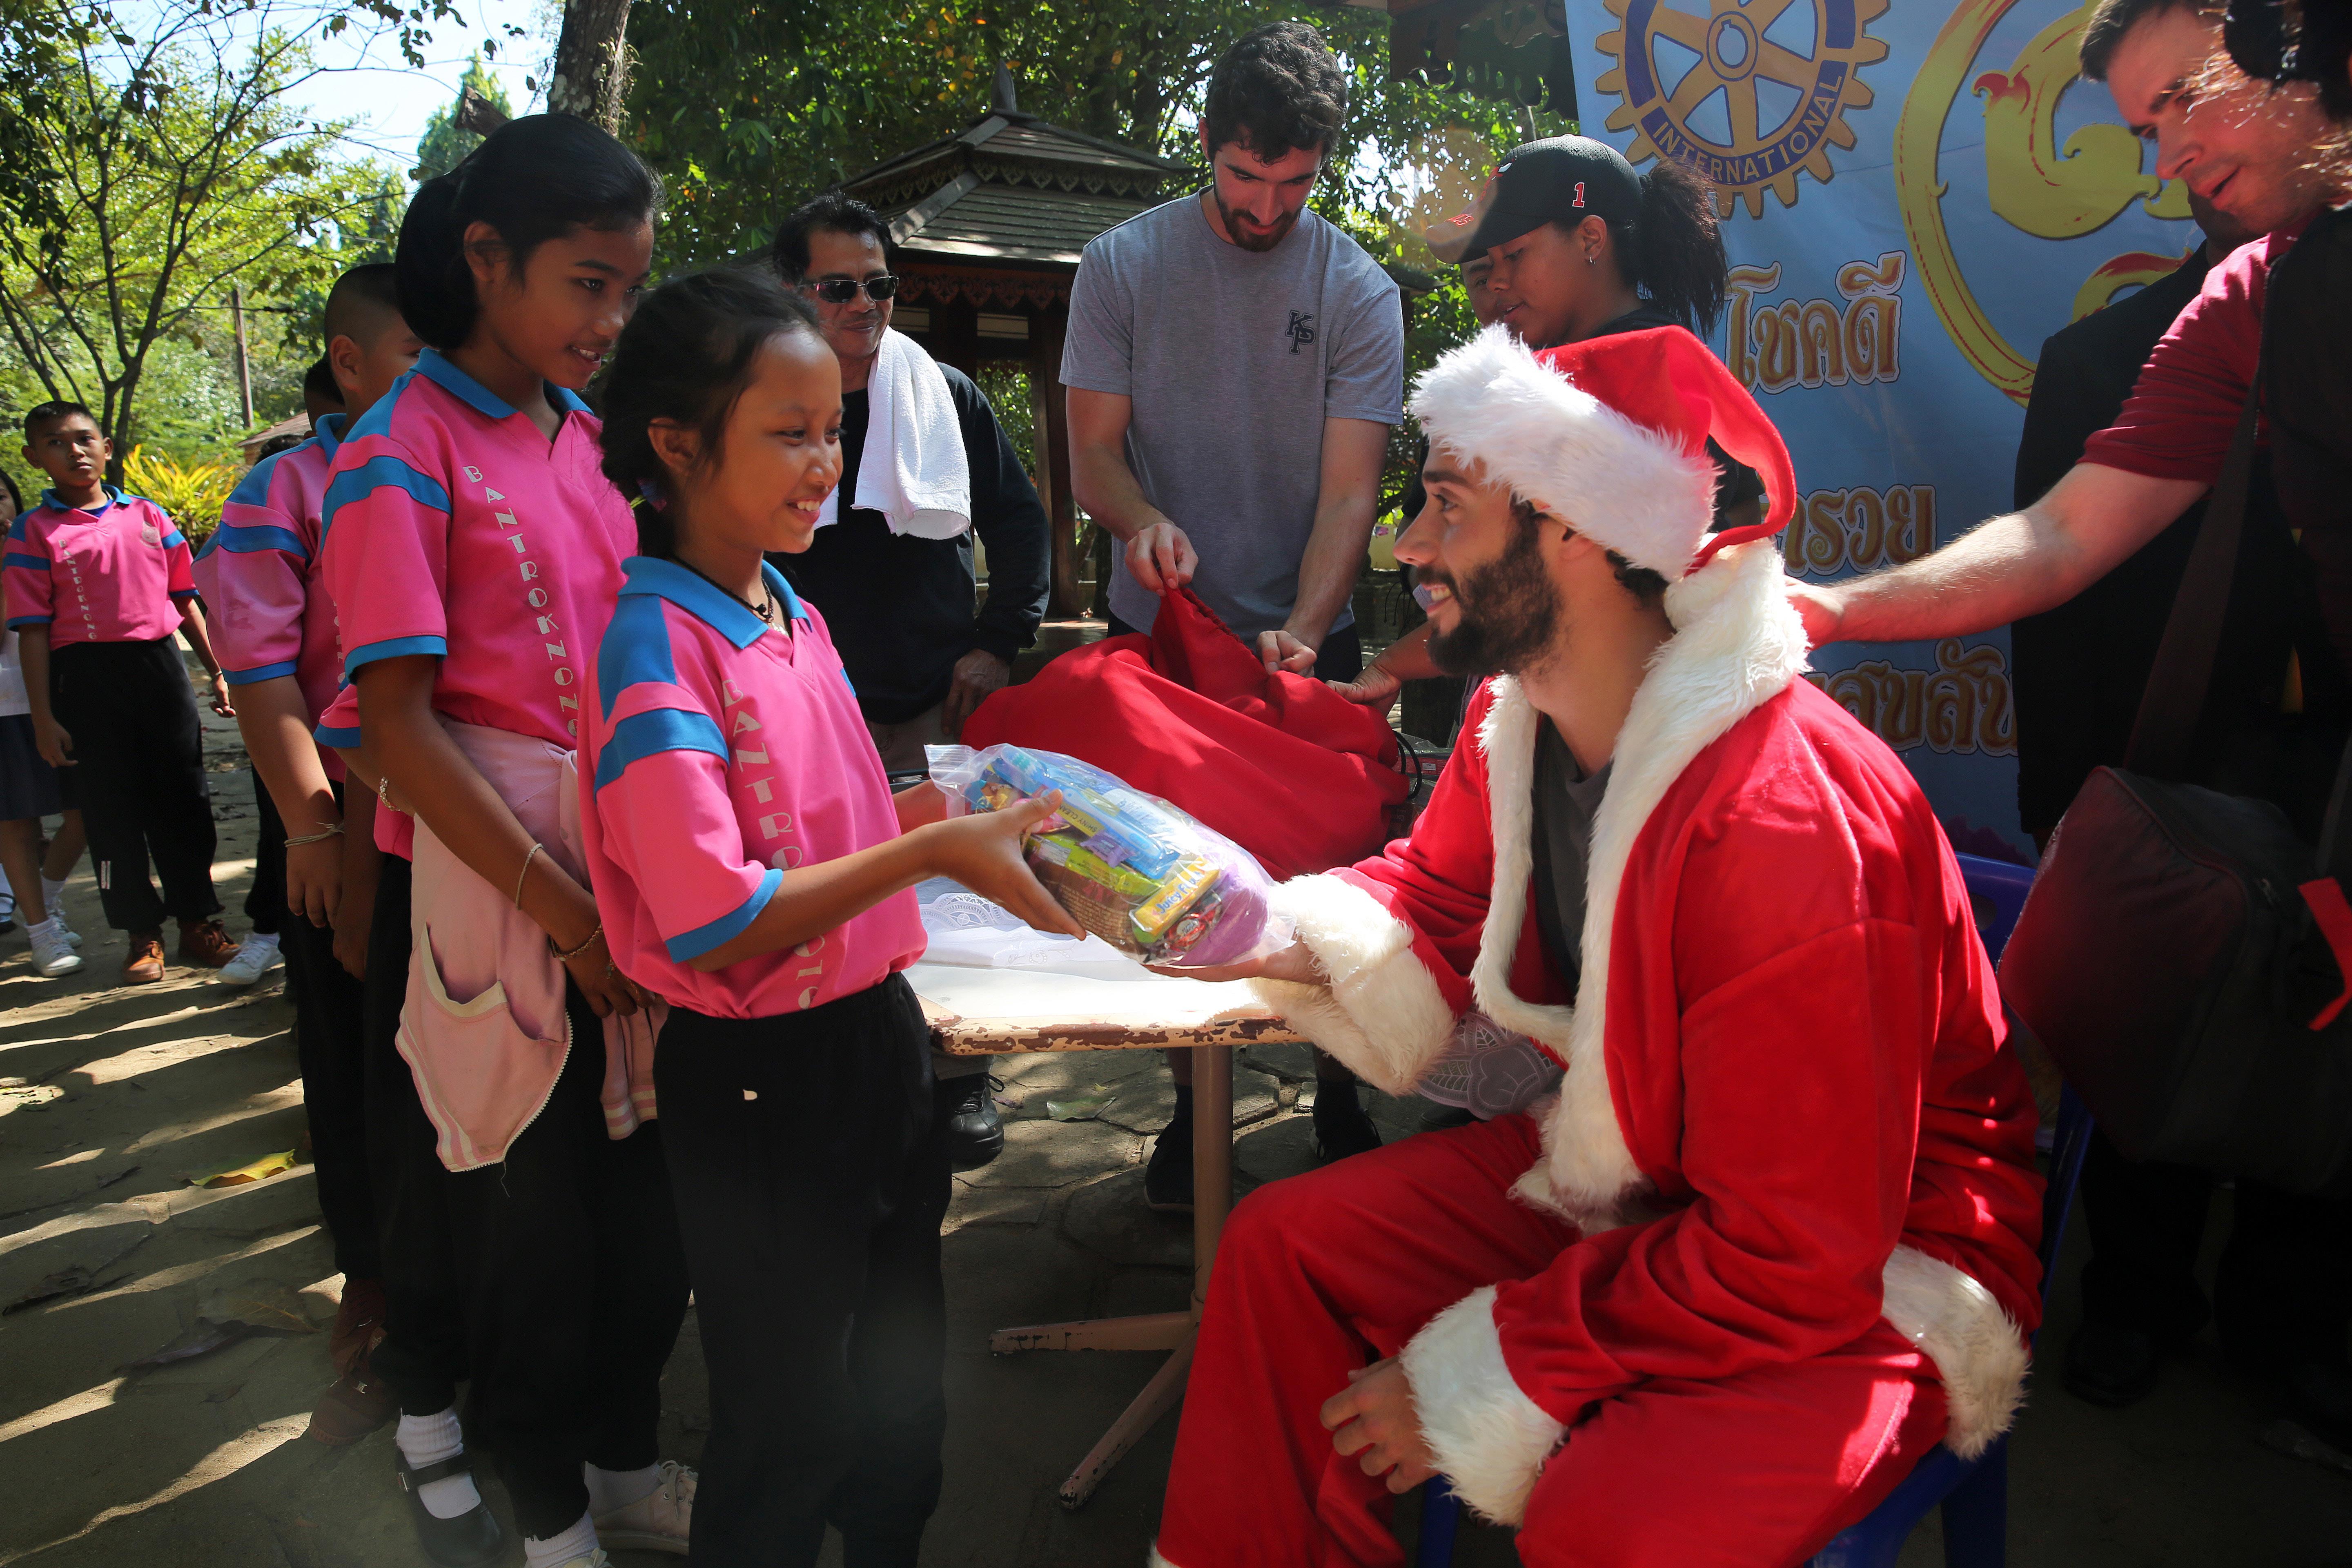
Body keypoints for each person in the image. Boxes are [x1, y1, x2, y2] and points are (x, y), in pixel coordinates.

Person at [1145, 325, 2044, 1568]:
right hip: (1650, 1172)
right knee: (1282, 1249)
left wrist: (1494, 1360)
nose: (1408, 544)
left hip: (1875, 1253)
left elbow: (1799, 1244)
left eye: (1446, 508)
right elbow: (1432, 898)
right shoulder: (1515, 723)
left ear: (1574, 527)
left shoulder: (1781, 822)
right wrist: (1248, 920)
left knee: (1616, 1520)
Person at [1787, 0, 2352, 1439]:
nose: (2165, 160)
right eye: (2140, 128)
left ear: (2292, 42)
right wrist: (1832, 610)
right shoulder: (2254, 300)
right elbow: (2061, 540)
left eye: (2181, 105)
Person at [585, 265, 1080, 1568]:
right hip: (758, 1082)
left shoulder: (783, 603)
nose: (827, 462)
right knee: (789, 1419)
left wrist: (989, 814)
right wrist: (940, 849)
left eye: (834, 428)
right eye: (789, 431)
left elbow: (845, 823)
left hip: (875, 1039)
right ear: (677, 443)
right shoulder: (652, 645)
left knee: (901, 1396)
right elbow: (714, 917)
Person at [315, 116, 691, 1568]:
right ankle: (546, 1518)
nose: (611, 320)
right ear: (486, 260)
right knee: (526, 1232)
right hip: (494, 899)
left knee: (637, 1218)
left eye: (627, 289)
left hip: (616, 875)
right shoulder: (395, 458)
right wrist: (565, 913)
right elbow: (399, 730)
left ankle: (622, 1460)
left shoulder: (580, 438)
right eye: (586, 284)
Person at [1061, 20, 1405, 1200]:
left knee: (1331, 877)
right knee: (1171, 884)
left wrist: (1307, 630)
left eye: (1296, 183)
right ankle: (1185, 1111)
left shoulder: (1356, 288)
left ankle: (1344, 1091)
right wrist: (1139, 523)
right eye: (1247, 178)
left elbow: (1352, 487)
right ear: (1206, 143)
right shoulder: (1122, 266)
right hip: (1160, 634)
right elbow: (1094, 456)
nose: (1267, 209)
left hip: (1303, 636)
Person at [768, 190, 1052, 1171]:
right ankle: (863, 1080)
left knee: (954, 900)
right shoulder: (764, 398)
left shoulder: (943, 396)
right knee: (839, 902)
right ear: (791, 292)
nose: (864, 305)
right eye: (838, 286)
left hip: (934, 693)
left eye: (879, 285)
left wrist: (998, 639)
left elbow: (1019, 524)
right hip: (809, 704)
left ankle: (964, 1081)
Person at [192, 261, 422, 1443]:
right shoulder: (289, 488)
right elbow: (262, 669)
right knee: (353, 1070)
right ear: (351, 362)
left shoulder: (457, 465)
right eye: (415, 364)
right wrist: (314, 830)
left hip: (450, 814)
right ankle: (375, 1301)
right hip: (345, 816)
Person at [1337, 136, 1759, 713]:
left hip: (1637, 724)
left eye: (1514, 256)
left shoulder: (1642, 373)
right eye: (1478, 271)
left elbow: (1529, 600)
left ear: (1590, 239)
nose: (1495, 286)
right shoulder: (1535, 373)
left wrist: (1387, 665)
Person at [4, 401, 239, 982]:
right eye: (57, 443)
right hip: (82, 681)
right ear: (36, 458)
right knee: (110, 812)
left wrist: (218, 668)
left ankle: (198, 923)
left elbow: (185, 600)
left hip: (159, 670)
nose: (75, 451)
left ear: (108, 447)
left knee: (184, 801)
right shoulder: (33, 532)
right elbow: (32, 631)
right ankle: (141, 934)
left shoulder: (150, 516)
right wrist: (42, 716)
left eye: (85, 439)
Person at [0, 466, 87, 977]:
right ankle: (40, 933)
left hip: (63, 699)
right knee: (16, 821)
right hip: (6, 704)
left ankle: (48, 903)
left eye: (1, 496)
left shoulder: (45, 539)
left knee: (85, 812)